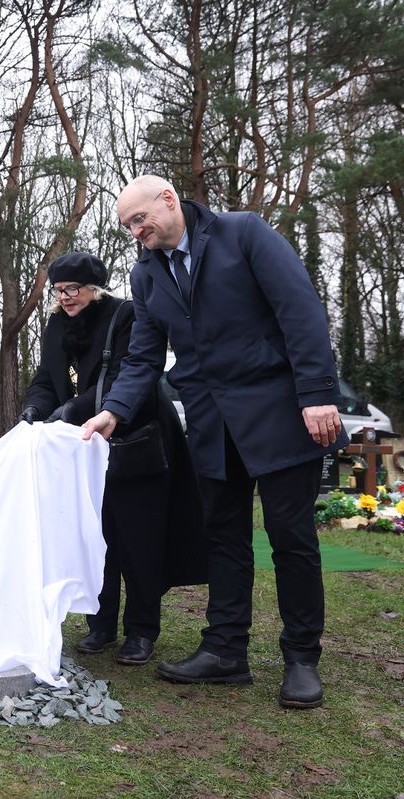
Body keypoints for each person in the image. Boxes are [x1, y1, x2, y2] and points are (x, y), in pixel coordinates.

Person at [83, 175, 346, 709]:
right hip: (209, 422)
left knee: (290, 537)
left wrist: (318, 392)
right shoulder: (146, 275)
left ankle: (301, 659)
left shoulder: (243, 234)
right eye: (128, 226)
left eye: (140, 219)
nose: (136, 232)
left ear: (169, 200)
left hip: (278, 412)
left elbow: (299, 308)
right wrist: (114, 410)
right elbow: (143, 356)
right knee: (224, 539)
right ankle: (226, 650)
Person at [20, 252, 204, 667]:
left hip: (134, 440)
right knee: (94, 535)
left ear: (94, 289)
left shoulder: (124, 315)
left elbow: (127, 376)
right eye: (58, 290)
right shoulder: (55, 324)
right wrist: (35, 408)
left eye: (73, 290)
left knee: (139, 538)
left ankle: (142, 630)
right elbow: (47, 379)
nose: (65, 298)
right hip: (83, 450)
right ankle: (100, 624)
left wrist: (69, 412)